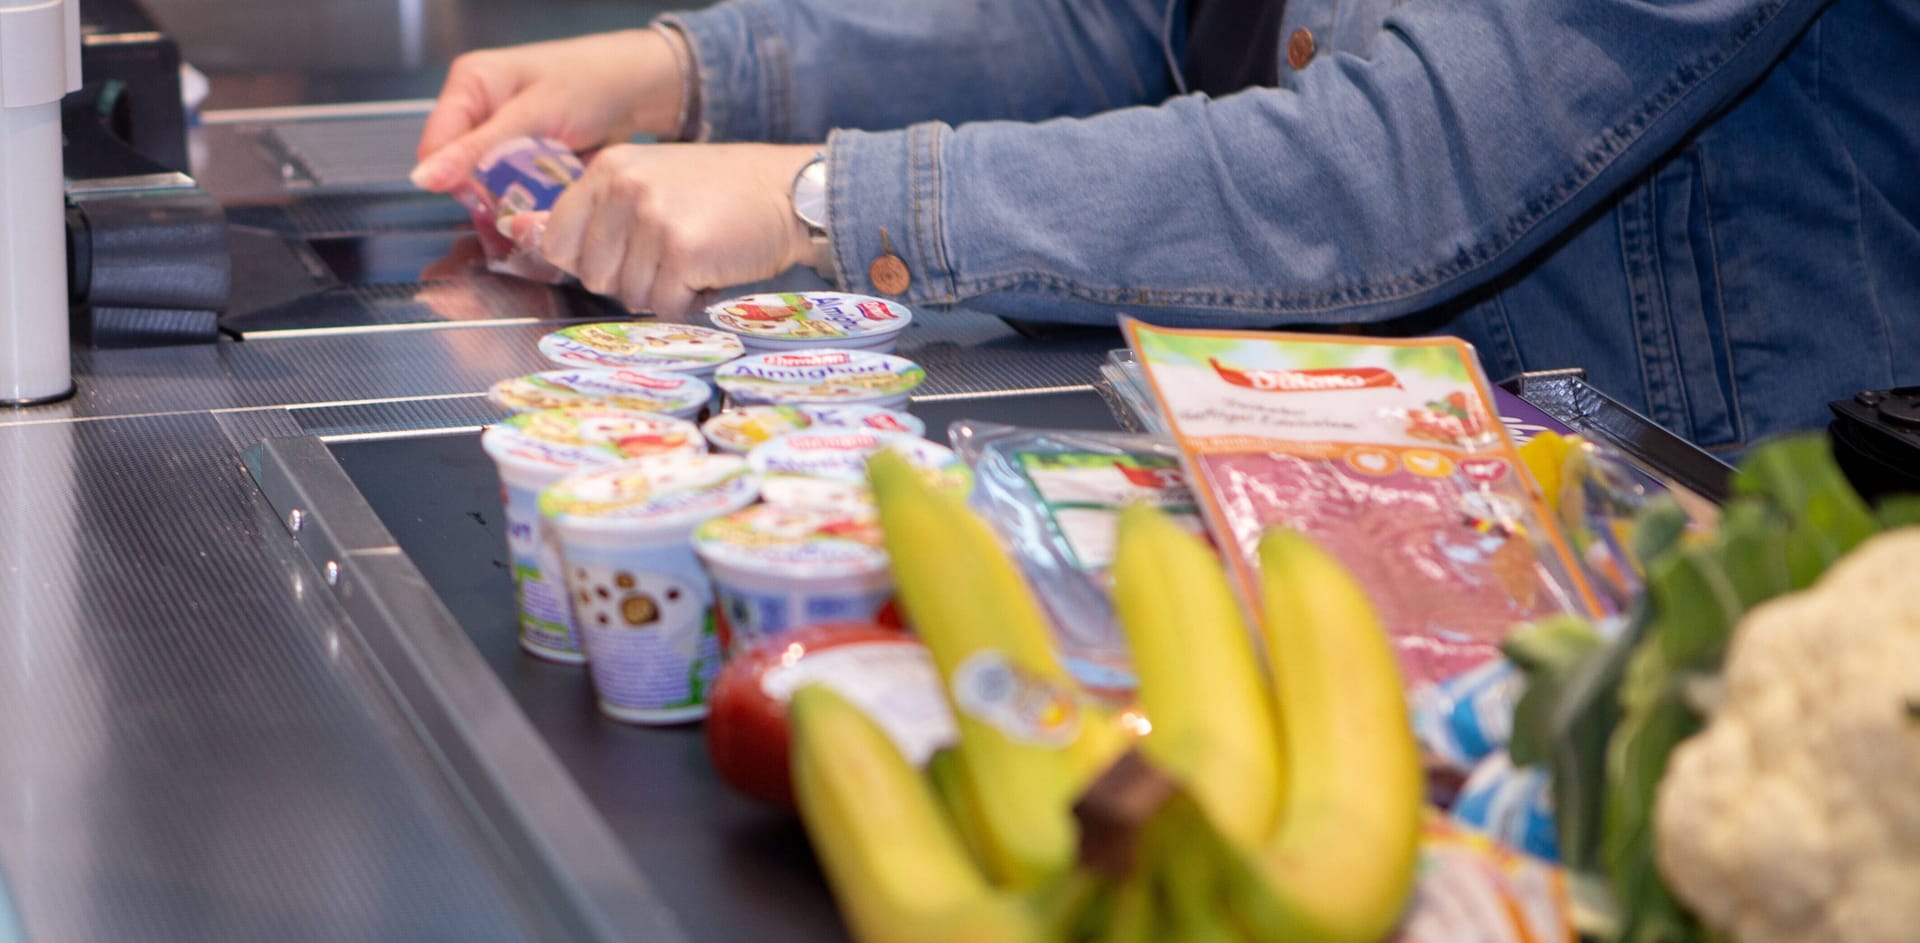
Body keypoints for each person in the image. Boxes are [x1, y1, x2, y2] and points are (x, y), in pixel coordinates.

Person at [413, 0, 1918, 452]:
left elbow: (1395, 171)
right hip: (1413, 488)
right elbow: (1133, 20)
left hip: (1710, 565)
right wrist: (684, 71)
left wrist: (821, 201)